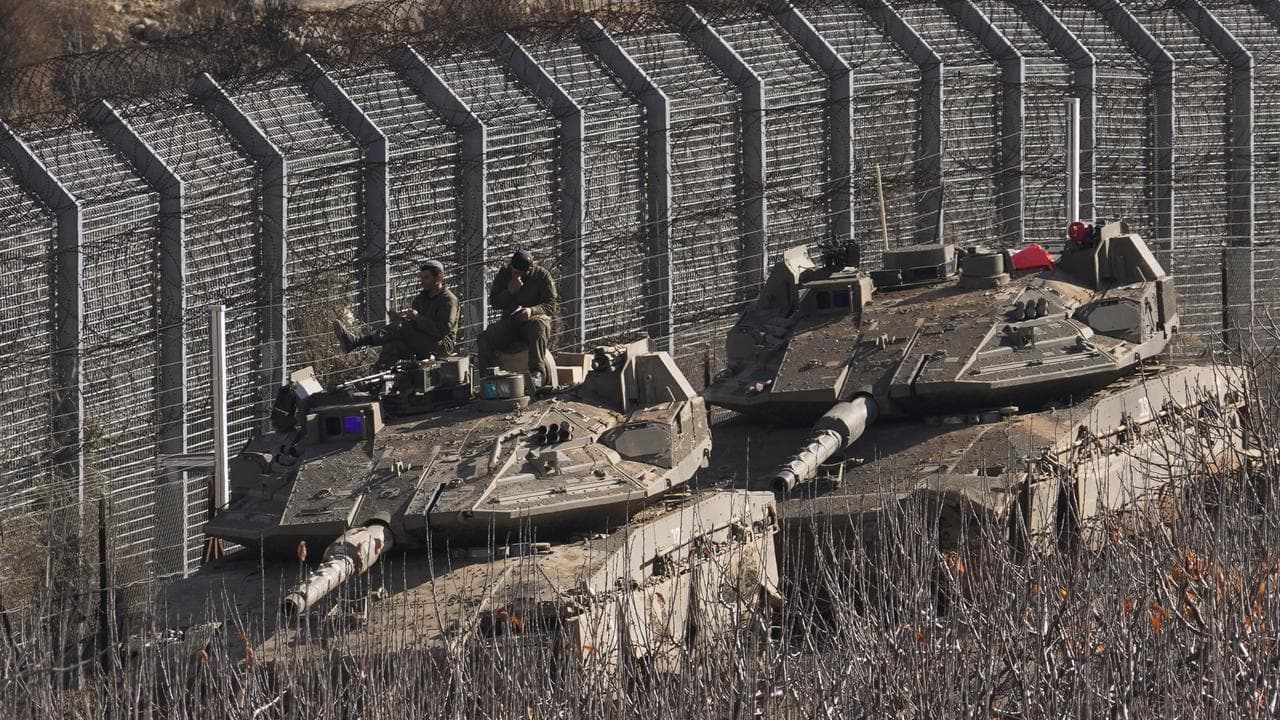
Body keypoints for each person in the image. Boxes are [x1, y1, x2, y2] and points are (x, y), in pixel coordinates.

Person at [333, 260, 459, 368]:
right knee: (393, 347)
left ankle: (356, 341)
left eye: (426, 278)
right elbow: (413, 327)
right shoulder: (422, 298)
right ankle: (376, 379)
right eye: (421, 278)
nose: (422, 281)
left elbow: (441, 330)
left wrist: (417, 318)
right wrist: (400, 318)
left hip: (441, 345)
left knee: (400, 328)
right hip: (422, 341)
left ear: (439, 277)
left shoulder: (448, 300)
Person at [478, 250, 558, 388]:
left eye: (519, 273)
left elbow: (551, 305)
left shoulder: (542, 276)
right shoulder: (505, 274)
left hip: (532, 321)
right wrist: (509, 291)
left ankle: (537, 373)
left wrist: (532, 310)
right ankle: (489, 377)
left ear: (529, 270)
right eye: (513, 271)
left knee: (538, 327)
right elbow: (495, 302)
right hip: (510, 322)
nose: (515, 275)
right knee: (485, 337)